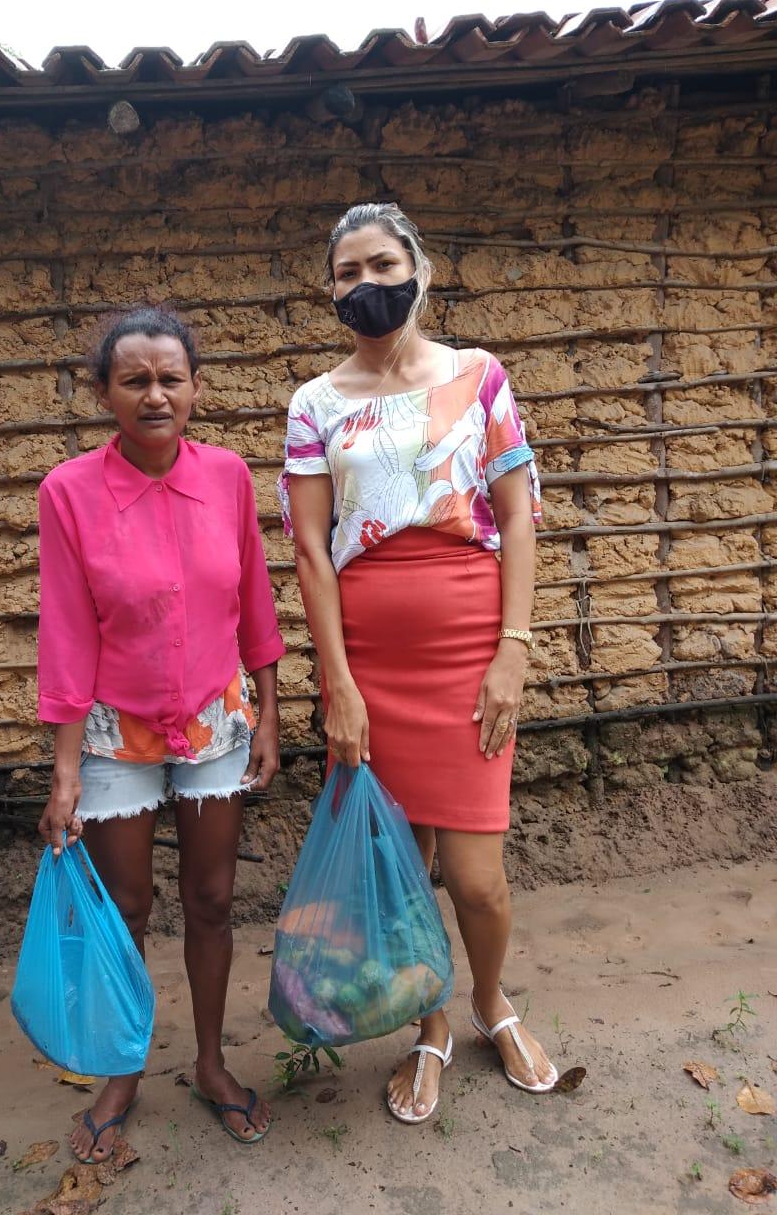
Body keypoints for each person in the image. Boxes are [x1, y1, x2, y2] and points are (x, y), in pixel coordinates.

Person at [280, 203, 558, 1125]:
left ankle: (490, 999)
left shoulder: (481, 378)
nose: (367, 284)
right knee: (404, 870)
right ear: (330, 290)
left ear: (419, 269)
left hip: (470, 646)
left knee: (477, 876)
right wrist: (339, 687)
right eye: (348, 272)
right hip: (369, 666)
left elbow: (517, 516)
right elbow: (313, 553)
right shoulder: (314, 404)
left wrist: (511, 651)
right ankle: (431, 1022)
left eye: (383, 264)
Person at [36, 306, 284, 1157]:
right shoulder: (68, 493)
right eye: (134, 379)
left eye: (170, 378)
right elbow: (66, 631)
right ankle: (124, 1067)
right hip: (114, 731)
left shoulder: (228, 478)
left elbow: (255, 598)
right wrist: (66, 770)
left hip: (217, 717)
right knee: (127, 908)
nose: (154, 395)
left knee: (212, 900)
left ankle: (211, 1063)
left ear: (195, 388)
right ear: (103, 391)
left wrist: (269, 713)